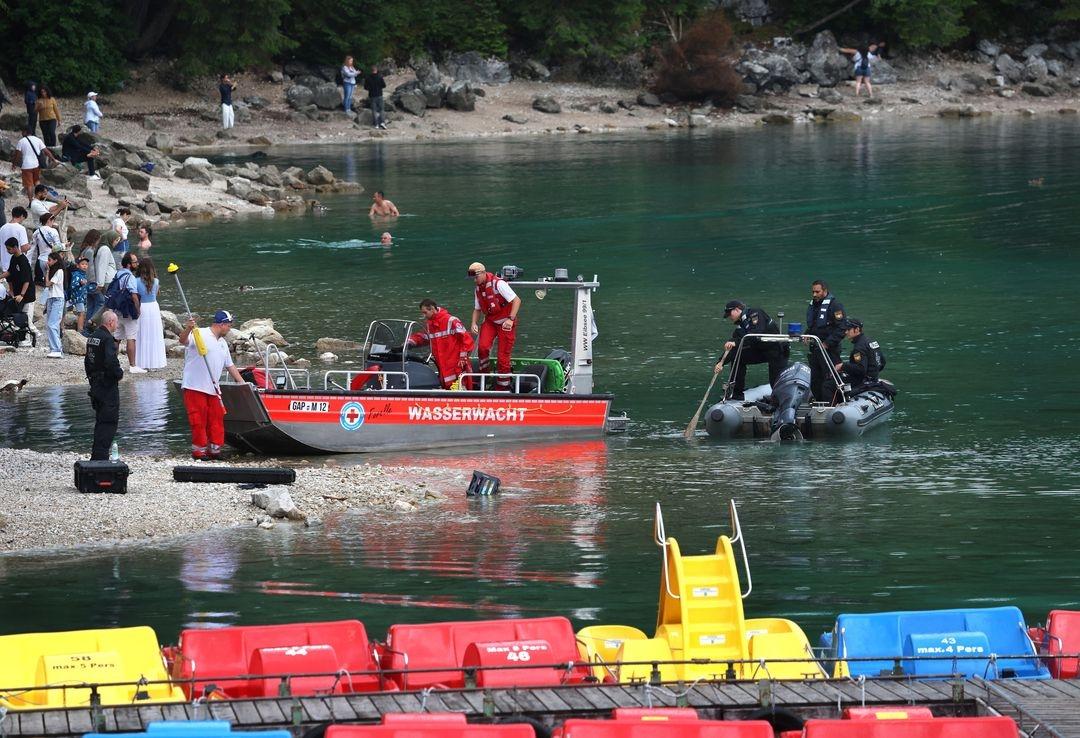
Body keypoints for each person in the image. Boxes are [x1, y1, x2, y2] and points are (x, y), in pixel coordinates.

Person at [179, 310, 245, 460]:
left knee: (216, 418)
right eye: (229, 325)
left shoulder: (222, 343)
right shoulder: (199, 333)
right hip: (195, 386)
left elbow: (230, 366)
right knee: (198, 419)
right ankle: (199, 450)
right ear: (221, 324)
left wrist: (242, 383)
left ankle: (214, 449)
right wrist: (189, 328)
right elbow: (182, 341)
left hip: (213, 389)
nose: (230, 328)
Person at [714, 300, 788, 400]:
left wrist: (736, 343)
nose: (729, 317)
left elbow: (757, 332)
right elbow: (732, 347)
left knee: (774, 380)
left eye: (730, 314)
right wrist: (720, 362)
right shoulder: (741, 325)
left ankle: (780, 399)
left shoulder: (755, 313)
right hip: (761, 351)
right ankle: (737, 394)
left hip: (776, 350)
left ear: (737, 309)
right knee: (738, 357)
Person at [469, 262, 521, 391]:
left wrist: (510, 319)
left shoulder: (499, 284)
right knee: (482, 347)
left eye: (475, 277)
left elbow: (516, 300)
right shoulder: (477, 289)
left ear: (482, 273)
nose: (474, 280)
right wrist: (474, 323)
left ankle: (502, 387)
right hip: (491, 321)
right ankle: (484, 376)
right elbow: (477, 309)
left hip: (506, 322)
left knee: (503, 356)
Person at [407, 298, 474, 389]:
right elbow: (423, 336)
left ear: (432, 308)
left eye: (425, 312)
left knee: (459, 388)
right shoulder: (430, 325)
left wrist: (463, 357)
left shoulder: (451, 321)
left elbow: (467, 340)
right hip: (442, 365)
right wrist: (409, 342)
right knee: (447, 387)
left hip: (456, 364)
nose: (424, 316)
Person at [84, 309, 125, 460]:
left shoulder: (93, 337)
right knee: (109, 421)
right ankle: (101, 457)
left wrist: (91, 379)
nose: (117, 325)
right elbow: (110, 361)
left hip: (95, 384)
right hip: (107, 385)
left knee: (100, 420)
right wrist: (118, 373)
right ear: (111, 322)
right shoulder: (107, 339)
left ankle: (97, 454)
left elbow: (87, 360)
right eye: (116, 322)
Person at [803, 279, 846, 401]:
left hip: (829, 350)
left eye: (817, 292)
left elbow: (842, 328)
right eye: (813, 292)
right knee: (815, 380)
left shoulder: (835, 306)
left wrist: (827, 343)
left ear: (825, 291)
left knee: (830, 379)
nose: (814, 295)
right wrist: (807, 334)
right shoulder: (814, 305)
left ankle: (834, 404)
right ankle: (819, 403)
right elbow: (815, 326)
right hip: (816, 349)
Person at [112, 252, 142, 372]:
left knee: (117, 338)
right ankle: (133, 366)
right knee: (131, 338)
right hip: (128, 312)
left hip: (117, 310)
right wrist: (138, 310)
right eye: (135, 262)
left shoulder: (118, 273)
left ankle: (113, 363)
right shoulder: (130, 277)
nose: (137, 264)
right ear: (129, 265)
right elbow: (134, 295)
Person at [3, 237, 37, 346]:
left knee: (27, 316)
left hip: (27, 293)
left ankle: (31, 336)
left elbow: (27, 280)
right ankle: (23, 337)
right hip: (18, 293)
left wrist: (22, 294)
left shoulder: (23, 261)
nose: (8, 251)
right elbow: (9, 272)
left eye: (9, 249)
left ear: (15, 247)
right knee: (20, 316)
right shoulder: (14, 258)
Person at [835, 318, 886, 388]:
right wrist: (873, 373)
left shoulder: (859, 347)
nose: (846, 332)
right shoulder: (872, 341)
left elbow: (860, 369)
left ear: (857, 329)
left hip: (863, 380)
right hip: (874, 378)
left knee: (829, 385)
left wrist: (843, 366)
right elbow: (882, 362)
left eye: (848, 330)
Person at [134, 258, 165, 370]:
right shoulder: (156, 281)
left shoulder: (136, 281)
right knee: (154, 334)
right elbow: (156, 294)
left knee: (142, 334)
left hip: (143, 307)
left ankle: (142, 362)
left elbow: (136, 296)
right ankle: (154, 362)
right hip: (153, 307)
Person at [16, 128, 57, 201]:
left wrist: (14, 164)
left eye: (22, 132)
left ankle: (31, 202)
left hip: (26, 166)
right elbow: (46, 151)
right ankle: (40, 199)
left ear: (25, 132)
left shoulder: (21, 141)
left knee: (29, 185)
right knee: (37, 181)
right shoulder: (38, 140)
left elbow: (18, 155)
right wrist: (53, 159)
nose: (22, 133)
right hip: (36, 165)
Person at [0, 207, 30, 300]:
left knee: (9, 289)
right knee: (19, 289)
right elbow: (24, 248)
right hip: (17, 263)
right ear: (21, 216)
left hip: (4, 262)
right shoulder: (20, 228)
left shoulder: (2, 228)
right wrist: (30, 246)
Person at [90, 232, 118, 326]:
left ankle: (94, 321)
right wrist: (100, 283)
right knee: (110, 303)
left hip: (106, 281)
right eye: (116, 240)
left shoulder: (102, 249)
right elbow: (102, 267)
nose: (116, 243)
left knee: (108, 303)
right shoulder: (105, 249)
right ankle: (97, 322)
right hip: (107, 281)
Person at [43, 251, 65, 358]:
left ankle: (57, 349)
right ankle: (54, 348)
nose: (48, 262)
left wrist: (47, 272)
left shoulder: (59, 271)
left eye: (49, 260)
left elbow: (48, 284)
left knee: (53, 323)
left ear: (55, 260)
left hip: (57, 299)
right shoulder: (54, 271)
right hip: (51, 298)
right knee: (50, 324)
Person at [71, 254, 90, 334]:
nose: (85, 266)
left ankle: (81, 329)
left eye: (86, 264)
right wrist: (80, 283)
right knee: (81, 313)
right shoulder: (76, 275)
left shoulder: (84, 275)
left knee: (82, 313)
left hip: (82, 297)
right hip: (78, 297)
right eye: (82, 264)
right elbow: (72, 285)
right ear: (78, 266)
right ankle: (80, 330)